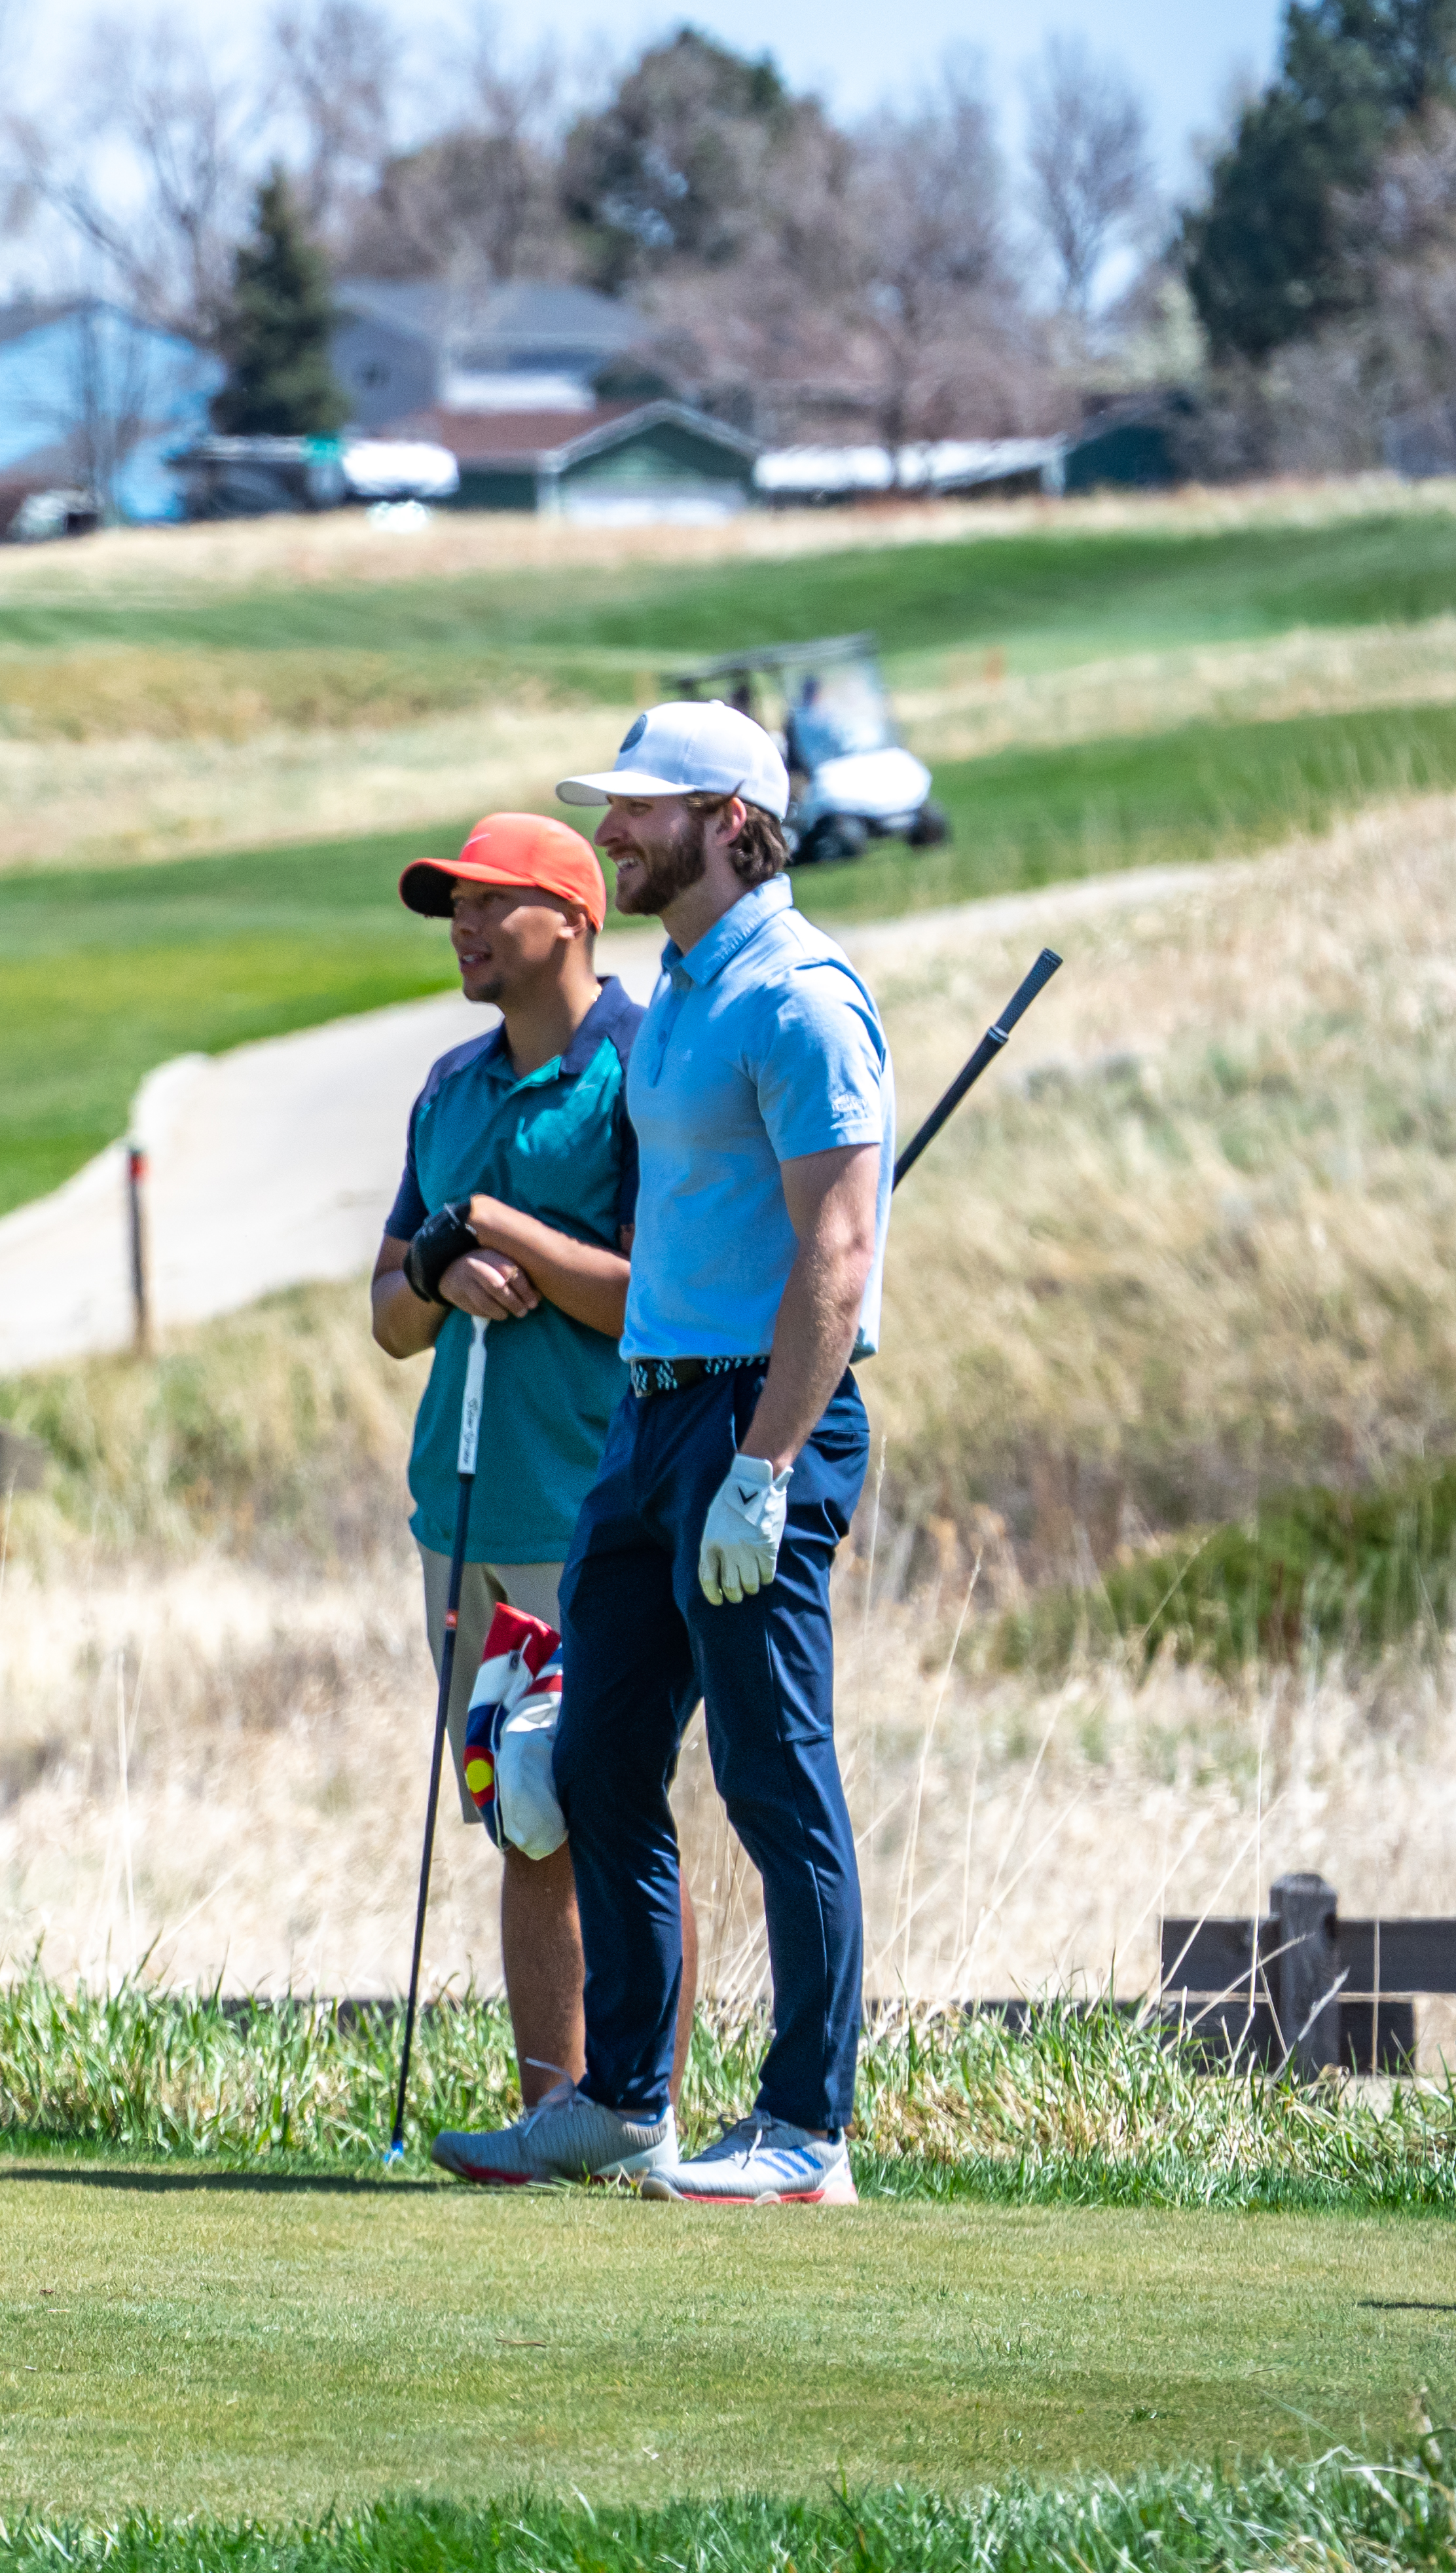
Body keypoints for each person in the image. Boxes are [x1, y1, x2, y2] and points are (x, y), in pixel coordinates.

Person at [430, 703, 891, 2206]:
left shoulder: (803, 997)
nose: (616, 830)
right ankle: (626, 2099)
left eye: (644, 808)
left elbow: (837, 1248)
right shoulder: (688, 989)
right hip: (648, 1418)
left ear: (731, 819)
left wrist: (765, 1466)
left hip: (760, 1417)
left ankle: (807, 2128)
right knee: (598, 1757)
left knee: (773, 1770)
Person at [367, 813, 651, 2117]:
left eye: (492, 904)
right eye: (455, 908)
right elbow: (389, 1313)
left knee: (607, 1808)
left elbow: (652, 1293)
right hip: (461, 1504)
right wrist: (438, 1262)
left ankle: (633, 2104)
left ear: (574, 918)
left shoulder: (640, 1070)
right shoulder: (448, 1086)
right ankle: (555, 2112)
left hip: (593, 1498)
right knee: (515, 1805)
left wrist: (498, 1225)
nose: (465, 929)